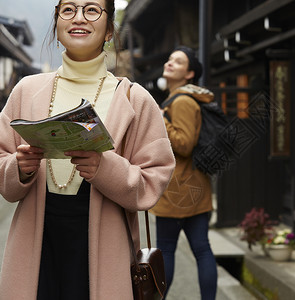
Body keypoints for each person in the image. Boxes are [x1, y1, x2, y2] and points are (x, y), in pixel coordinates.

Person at [0, 0, 175, 299]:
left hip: (106, 241)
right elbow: (2, 157)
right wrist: (19, 167)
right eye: (68, 10)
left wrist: (106, 169)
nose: (78, 17)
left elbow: (155, 178)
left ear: (109, 30)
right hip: (38, 236)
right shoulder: (26, 90)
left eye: (92, 9)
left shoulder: (135, 99)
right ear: (57, 26)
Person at [150, 46, 218, 299]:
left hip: (179, 188)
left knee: (170, 249)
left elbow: (184, 144)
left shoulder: (182, 102)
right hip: (192, 185)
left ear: (189, 74)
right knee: (201, 249)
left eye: (178, 62)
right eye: (169, 59)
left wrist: (160, 118)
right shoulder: (178, 99)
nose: (170, 63)